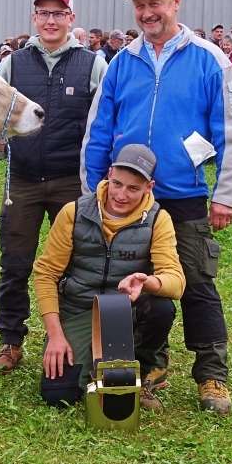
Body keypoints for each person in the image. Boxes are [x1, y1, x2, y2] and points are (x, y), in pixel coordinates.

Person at [81, 0, 232, 415]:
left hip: (184, 194)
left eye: (155, 3)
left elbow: (230, 131)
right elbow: (99, 130)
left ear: (176, 3)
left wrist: (225, 194)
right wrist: (92, 192)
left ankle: (212, 374)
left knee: (196, 284)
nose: (147, 13)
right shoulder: (121, 62)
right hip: (129, 198)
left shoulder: (209, 59)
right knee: (135, 286)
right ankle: (148, 369)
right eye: (140, 5)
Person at [0, 0, 107, 373]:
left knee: (75, 265)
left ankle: (70, 338)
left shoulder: (93, 64)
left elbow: (104, 118)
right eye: (44, 12)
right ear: (34, 17)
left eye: (59, 13)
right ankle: (10, 341)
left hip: (70, 181)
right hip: (22, 181)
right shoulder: (12, 64)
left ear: (71, 18)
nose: (51, 20)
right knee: (15, 264)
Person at [35, 144, 184, 410]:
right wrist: (55, 335)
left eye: (133, 188)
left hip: (125, 312)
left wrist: (148, 281)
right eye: (117, 184)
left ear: (149, 187)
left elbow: (176, 281)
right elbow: (46, 274)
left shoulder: (159, 219)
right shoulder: (73, 212)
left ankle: (144, 368)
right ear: (109, 174)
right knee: (58, 395)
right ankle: (99, 361)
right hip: (80, 308)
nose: (121, 195)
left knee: (161, 307)